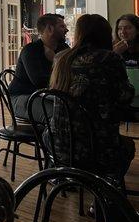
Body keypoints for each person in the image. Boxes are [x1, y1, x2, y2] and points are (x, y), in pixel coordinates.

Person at [49, 14, 135, 186]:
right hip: (95, 148)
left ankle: (63, 176)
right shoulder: (109, 59)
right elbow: (125, 95)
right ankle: (104, 193)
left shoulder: (62, 58)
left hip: (56, 143)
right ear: (105, 34)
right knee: (128, 146)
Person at [9, 14, 69, 121]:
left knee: (73, 109)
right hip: (22, 97)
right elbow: (40, 82)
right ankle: (47, 137)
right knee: (59, 115)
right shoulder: (30, 50)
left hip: (46, 95)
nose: (67, 30)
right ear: (50, 29)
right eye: (62, 27)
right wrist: (56, 61)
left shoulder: (63, 48)